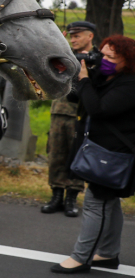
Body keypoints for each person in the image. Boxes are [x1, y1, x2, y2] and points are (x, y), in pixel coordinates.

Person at [52, 35, 135, 274]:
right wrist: (76, 73)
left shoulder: (130, 84)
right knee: (110, 202)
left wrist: (87, 80)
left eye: (112, 57)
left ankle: (81, 257)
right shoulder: (109, 76)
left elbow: (99, 110)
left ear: (127, 60)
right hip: (100, 151)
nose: (105, 60)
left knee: (95, 203)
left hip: (113, 155)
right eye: (103, 54)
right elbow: (74, 97)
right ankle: (108, 254)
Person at [41, 21, 97, 217]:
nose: (73, 39)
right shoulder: (63, 55)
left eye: (77, 36)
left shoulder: (96, 58)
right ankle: (56, 195)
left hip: (81, 113)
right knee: (56, 153)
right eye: (71, 36)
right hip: (59, 110)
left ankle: (72, 197)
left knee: (76, 155)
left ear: (90, 36)